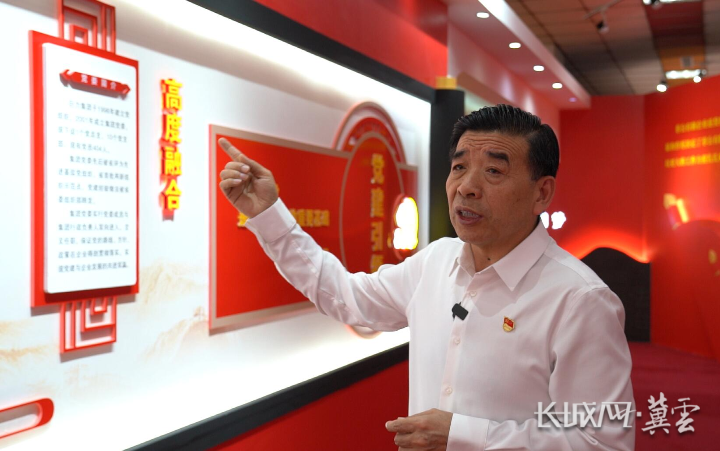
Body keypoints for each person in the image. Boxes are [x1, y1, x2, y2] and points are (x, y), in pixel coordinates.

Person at [218, 104, 635, 450]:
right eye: (459, 167)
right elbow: (345, 296)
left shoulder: (580, 300)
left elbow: (602, 442)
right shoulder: (437, 261)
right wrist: (269, 215)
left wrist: (464, 436)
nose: (467, 187)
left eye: (493, 172)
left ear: (541, 193)